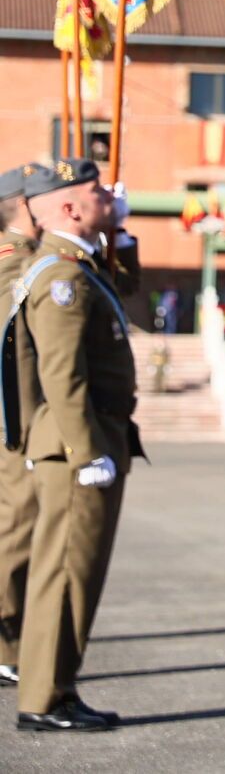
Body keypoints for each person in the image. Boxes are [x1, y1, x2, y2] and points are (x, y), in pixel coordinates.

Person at [9, 159, 139, 732]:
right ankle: (44, 696)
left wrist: (122, 231)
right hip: (74, 444)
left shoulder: (79, 266)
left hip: (88, 436)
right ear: (69, 207)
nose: (109, 195)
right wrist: (88, 453)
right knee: (64, 573)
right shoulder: (60, 275)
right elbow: (63, 375)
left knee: (75, 574)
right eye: (96, 191)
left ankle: (54, 687)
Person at [0, 166, 43, 689]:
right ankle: (5, 640)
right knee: (18, 529)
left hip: (27, 417)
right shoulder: (15, 264)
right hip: (20, 420)